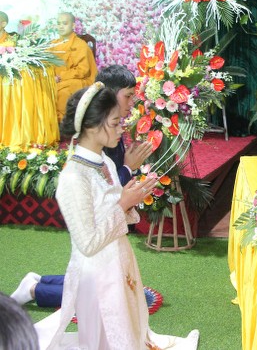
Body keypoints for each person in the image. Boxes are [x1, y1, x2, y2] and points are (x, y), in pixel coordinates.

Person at [35, 83, 198, 349]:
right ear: (92, 127)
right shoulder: (73, 177)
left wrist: (131, 199)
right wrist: (123, 203)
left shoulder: (106, 162)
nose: (122, 128)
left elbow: (113, 209)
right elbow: (87, 243)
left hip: (118, 259)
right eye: (115, 123)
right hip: (96, 275)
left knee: (128, 330)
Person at [11, 65, 154, 309]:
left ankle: (40, 283)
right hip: (97, 231)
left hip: (111, 238)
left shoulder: (106, 146)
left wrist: (128, 191)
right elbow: (100, 204)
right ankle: (36, 289)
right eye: (128, 96)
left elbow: (109, 189)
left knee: (114, 286)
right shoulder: (85, 159)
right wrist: (127, 174)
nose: (132, 103)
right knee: (104, 292)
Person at [51, 12, 98, 121]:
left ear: (73, 25)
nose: (61, 26)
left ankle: (63, 124)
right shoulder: (53, 45)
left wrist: (60, 77)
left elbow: (83, 70)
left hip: (80, 80)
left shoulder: (80, 45)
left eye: (64, 23)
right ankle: (48, 126)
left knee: (61, 93)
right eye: (58, 23)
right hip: (56, 80)